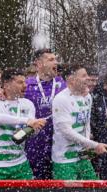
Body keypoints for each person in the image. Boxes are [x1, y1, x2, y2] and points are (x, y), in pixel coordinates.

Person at [52, 64, 107, 180]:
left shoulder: (87, 97)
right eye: (84, 76)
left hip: (83, 157)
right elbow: (66, 132)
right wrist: (94, 145)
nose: (88, 78)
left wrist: (87, 146)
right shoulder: (61, 99)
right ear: (71, 79)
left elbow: (86, 124)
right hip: (65, 161)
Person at [0, 69, 46, 180]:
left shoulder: (28, 104)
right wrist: (26, 121)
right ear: (6, 84)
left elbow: (28, 134)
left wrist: (36, 129)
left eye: (25, 82)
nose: (25, 86)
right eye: (20, 82)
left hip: (21, 165)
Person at [25, 49, 67, 179]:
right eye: (51, 60)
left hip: (59, 143)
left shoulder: (64, 84)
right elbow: (7, 95)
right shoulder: (27, 85)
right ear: (39, 64)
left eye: (55, 59)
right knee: (37, 187)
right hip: (35, 144)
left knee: (59, 185)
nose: (56, 62)